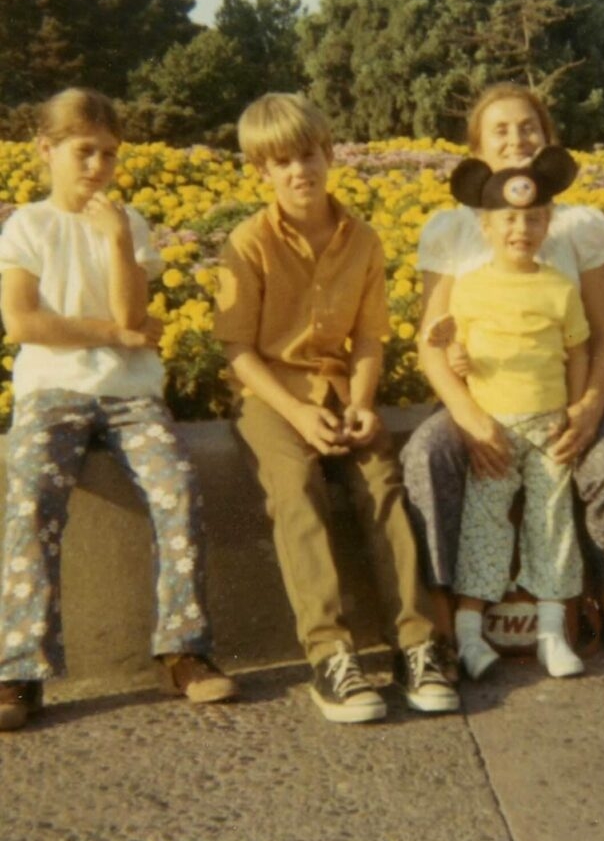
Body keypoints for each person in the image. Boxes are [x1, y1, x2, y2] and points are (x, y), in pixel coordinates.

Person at [212, 92, 458, 724]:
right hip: (269, 393)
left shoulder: (363, 240)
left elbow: (369, 339)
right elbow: (238, 349)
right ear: (261, 172)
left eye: (311, 154)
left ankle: (415, 644)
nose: (301, 171)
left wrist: (364, 404)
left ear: (329, 154)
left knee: (382, 478)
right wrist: (296, 415)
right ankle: (331, 656)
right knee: (295, 487)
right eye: (283, 161)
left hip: (339, 386)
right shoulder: (249, 243)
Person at [0, 88, 237, 733]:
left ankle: (183, 649)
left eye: (108, 154)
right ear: (46, 150)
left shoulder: (125, 224)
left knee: (177, 488)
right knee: (28, 496)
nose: (98, 167)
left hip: (130, 394)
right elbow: (23, 322)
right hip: (52, 391)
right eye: (84, 152)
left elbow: (136, 316)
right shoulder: (26, 226)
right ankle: (19, 668)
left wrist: (114, 244)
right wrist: (113, 334)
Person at [401, 83, 604, 660]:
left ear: (547, 140)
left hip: (559, 401)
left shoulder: (577, 226)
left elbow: (601, 336)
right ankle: (441, 620)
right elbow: (432, 343)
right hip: (479, 404)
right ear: (476, 147)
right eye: (501, 130)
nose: (516, 140)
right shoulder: (453, 229)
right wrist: (467, 417)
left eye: (528, 128)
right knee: (426, 454)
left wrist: (589, 408)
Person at [440, 148, 591, 679]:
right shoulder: (471, 287)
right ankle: (468, 634)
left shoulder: (559, 287)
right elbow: (452, 348)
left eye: (532, 218)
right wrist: (457, 360)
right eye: (507, 219)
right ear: (484, 225)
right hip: (495, 427)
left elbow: (579, 351)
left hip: (549, 423)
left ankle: (552, 632)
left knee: (553, 520)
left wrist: (575, 409)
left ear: (547, 222)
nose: (520, 229)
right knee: (485, 522)